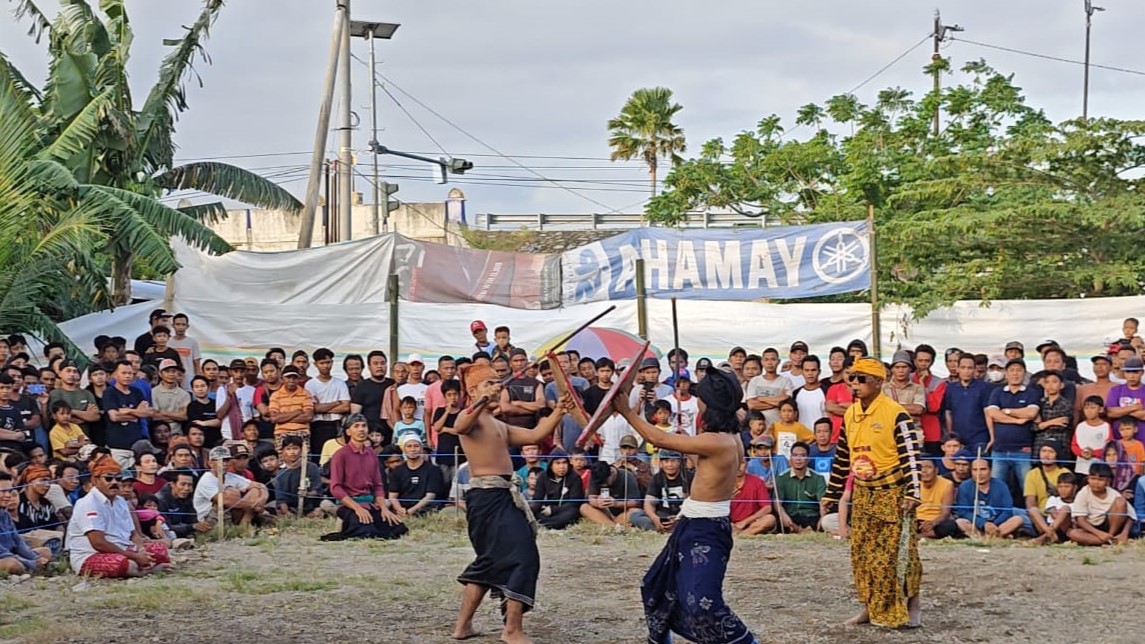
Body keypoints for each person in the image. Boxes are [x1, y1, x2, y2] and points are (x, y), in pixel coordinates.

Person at [608, 365, 757, 643]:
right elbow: (699, 461)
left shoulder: (718, 441)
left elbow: (657, 438)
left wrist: (627, 411)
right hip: (695, 524)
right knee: (655, 585)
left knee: (704, 600)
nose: (697, 400)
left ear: (708, 405)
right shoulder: (727, 438)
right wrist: (685, 443)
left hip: (706, 529)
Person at [443, 363, 572, 644]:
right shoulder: (473, 419)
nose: (496, 386)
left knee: (490, 561)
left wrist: (560, 410)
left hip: (502, 496)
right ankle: (512, 630)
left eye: (496, 383)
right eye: (488, 383)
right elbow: (458, 426)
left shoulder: (498, 424)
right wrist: (482, 399)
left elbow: (535, 436)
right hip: (486, 497)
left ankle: (462, 628)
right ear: (474, 390)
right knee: (524, 556)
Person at [822, 357, 923, 629]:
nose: (854, 384)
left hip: (894, 494)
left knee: (898, 553)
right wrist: (832, 492)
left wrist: (913, 493)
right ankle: (869, 607)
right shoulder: (851, 414)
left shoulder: (896, 413)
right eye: (852, 379)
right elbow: (842, 455)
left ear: (878, 382)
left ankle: (912, 603)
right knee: (863, 553)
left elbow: (912, 457)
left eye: (861, 379)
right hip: (864, 493)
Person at [65, 455, 170, 577]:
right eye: (108, 478)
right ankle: (145, 571)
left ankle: (141, 567)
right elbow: (98, 543)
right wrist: (135, 556)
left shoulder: (121, 502)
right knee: (125, 564)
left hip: (124, 549)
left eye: (118, 479)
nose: (114, 482)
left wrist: (141, 549)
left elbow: (133, 533)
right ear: (95, 480)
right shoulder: (88, 503)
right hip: (91, 555)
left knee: (159, 550)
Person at [324, 414, 407, 540]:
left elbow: (378, 485)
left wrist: (384, 508)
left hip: (369, 503)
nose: (361, 429)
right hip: (349, 505)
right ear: (348, 431)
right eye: (356, 426)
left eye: (364, 426)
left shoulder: (371, 454)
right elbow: (336, 488)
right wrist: (357, 508)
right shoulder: (341, 455)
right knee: (367, 532)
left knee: (399, 528)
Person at [954, 458, 1026, 539]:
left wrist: (993, 524)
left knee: (1018, 519)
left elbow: (1007, 510)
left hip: (998, 524)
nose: (979, 473)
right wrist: (983, 524)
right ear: (971, 471)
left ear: (990, 470)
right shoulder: (964, 486)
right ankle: (993, 537)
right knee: (960, 522)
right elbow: (963, 512)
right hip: (976, 525)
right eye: (975, 470)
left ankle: (987, 537)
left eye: (983, 469)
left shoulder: (1001, 485)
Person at [1068, 462, 1132, 545]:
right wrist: (1099, 534)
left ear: (1108, 481)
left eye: (1100, 480)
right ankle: (1109, 541)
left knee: (1120, 501)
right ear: (1088, 479)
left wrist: (1124, 533)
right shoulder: (1083, 493)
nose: (1096, 482)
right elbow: (1081, 520)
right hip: (1091, 528)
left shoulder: (1113, 494)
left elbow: (1131, 515)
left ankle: (1110, 536)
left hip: (1109, 526)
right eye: (1093, 479)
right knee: (1074, 534)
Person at [0, 471, 51, 574]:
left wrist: (36, 558)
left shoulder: (4, 514)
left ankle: (30, 567)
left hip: (11, 554)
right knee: (12, 564)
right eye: (3, 491)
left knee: (45, 552)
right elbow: (2, 552)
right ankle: (30, 568)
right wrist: (31, 563)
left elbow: (17, 541)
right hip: (5, 557)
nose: (8, 495)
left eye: (9, 491)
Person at [388, 432, 444, 516]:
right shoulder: (397, 471)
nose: (413, 449)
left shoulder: (433, 469)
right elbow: (392, 496)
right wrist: (399, 509)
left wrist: (411, 511)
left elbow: (430, 496)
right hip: (403, 508)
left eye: (416, 446)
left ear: (421, 448)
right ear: (404, 449)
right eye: (409, 446)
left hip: (425, 508)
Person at [774, 441, 826, 532]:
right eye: (795, 455)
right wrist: (783, 515)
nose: (798, 459)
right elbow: (777, 503)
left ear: (808, 459)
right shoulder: (781, 478)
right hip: (790, 516)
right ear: (790, 458)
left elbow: (823, 503)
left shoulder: (818, 478)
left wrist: (822, 519)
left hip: (811, 516)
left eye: (802, 455)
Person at [529, 448, 583, 530]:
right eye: (557, 463)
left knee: (572, 513)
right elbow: (537, 500)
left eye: (564, 463)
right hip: (547, 510)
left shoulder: (574, 477)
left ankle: (547, 525)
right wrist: (531, 510)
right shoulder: (543, 477)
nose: (562, 466)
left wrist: (554, 510)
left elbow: (575, 502)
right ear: (551, 465)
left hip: (566, 510)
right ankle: (545, 524)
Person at [916, 459, 959, 539]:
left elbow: (945, 513)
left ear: (936, 470)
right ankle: (927, 535)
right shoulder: (913, 484)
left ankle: (920, 536)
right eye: (921, 467)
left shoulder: (947, 484)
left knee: (950, 526)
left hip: (937, 520)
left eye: (928, 467)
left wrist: (933, 523)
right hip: (917, 520)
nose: (924, 471)